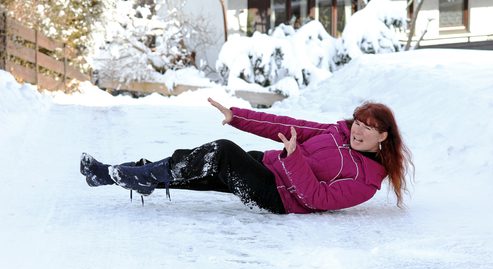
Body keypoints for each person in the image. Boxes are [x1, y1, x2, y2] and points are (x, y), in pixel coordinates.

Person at [80, 98, 413, 214]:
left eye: (367, 128)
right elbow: (287, 125)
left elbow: (317, 199)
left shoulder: (365, 181)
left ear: (383, 137)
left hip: (279, 198)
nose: (357, 130)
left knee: (221, 154)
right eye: (357, 122)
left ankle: (140, 177)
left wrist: (293, 156)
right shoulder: (335, 132)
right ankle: (113, 174)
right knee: (201, 164)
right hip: (270, 166)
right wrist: (237, 117)